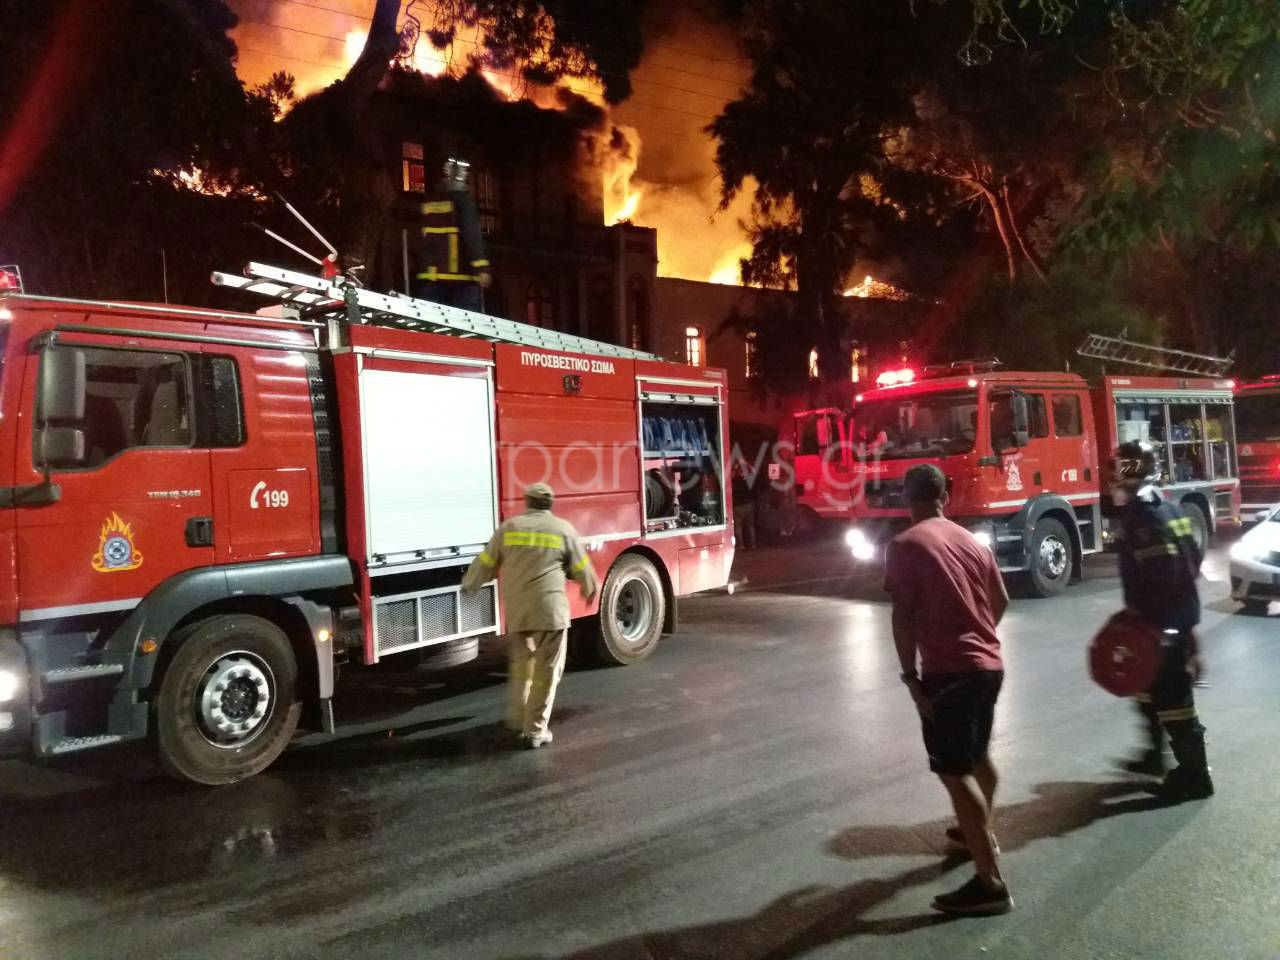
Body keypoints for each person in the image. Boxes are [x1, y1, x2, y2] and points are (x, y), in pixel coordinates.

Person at [883, 463, 1012, 915]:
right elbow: (1001, 600)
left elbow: (903, 616)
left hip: (949, 673)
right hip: (988, 667)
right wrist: (979, 637)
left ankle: (989, 883)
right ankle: (971, 833)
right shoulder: (971, 541)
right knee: (978, 759)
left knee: (955, 773)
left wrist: (910, 677)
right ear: (945, 496)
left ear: (906, 498)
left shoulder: (905, 545)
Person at [1109, 440, 1213, 801]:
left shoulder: (1144, 516)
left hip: (1162, 623)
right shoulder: (1167, 508)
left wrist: (1156, 625)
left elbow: (1163, 574)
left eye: (1121, 467)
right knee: (1147, 688)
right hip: (1170, 618)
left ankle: (1195, 776)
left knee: (1174, 699)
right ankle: (1155, 756)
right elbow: (1193, 560)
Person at [462, 482, 599, 749]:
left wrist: (470, 583)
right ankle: (535, 730)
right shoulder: (563, 529)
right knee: (547, 671)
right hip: (550, 613)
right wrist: (589, 588)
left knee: (522, 667)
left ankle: (517, 720)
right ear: (550, 504)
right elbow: (582, 567)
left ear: (527, 502)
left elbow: (486, 562)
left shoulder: (509, 528)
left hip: (519, 612)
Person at [414, 158, 492, 313]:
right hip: (462, 278)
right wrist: (481, 268)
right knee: (467, 324)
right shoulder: (464, 202)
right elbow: (472, 236)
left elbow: (422, 238)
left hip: (431, 277)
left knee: (431, 322)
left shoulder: (429, 203)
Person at [731, 462, 758, 550]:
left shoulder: (735, 480)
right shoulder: (749, 479)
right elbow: (754, 470)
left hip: (738, 505)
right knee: (751, 526)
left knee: (738, 526)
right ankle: (753, 544)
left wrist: (735, 468)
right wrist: (746, 463)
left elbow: (730, 476)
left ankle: (741, 545)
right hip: (748, 505)